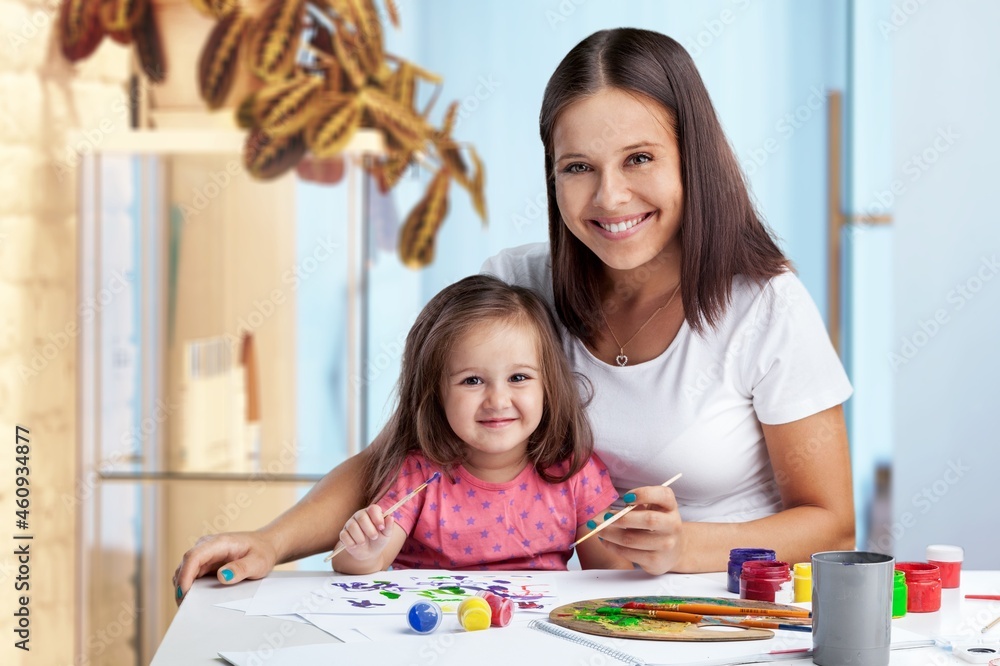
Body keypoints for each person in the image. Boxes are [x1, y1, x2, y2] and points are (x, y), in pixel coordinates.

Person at [173, 27, 854, 602]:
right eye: (578, 167)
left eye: (640, 158)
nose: (609, 197)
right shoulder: (518, 285)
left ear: (692, 160)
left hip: (720, 608)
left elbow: (833, 526)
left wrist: (685, 546)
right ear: (551, 173)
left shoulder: (764, 305)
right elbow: (400, 454)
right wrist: (271, 541)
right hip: (566, 610)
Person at [331, 274, 629, 573]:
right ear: (436, 393)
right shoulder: (416, 474)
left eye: (518, 378)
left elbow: (610, 572)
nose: (498, 400)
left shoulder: (576, 472)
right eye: (472, 380)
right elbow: (365, 562)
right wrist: (361, 551)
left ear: (548, 386)